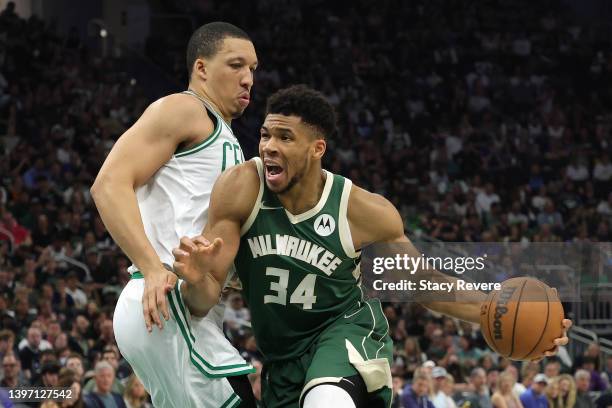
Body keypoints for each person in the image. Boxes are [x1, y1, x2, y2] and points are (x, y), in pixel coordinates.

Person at [173, 85, 571, 408]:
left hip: (346, 333)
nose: (268, 146)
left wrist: (492, 311)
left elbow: (421, 283)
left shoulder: (363, 211)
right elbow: (203, 299)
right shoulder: (241, 187)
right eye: (265, 134)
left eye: (284, 137)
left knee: (326, 401)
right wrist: (194, 279)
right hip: (281, 359)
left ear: (317, 149)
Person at [91, 22, 258, 407]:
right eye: (236, 65)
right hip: (166, 302)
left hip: (185, 310)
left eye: (253, 68)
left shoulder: (225, 137)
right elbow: (109, 184)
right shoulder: (186, 109)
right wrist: (151, 267)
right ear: (201, 68)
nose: (248, 78)